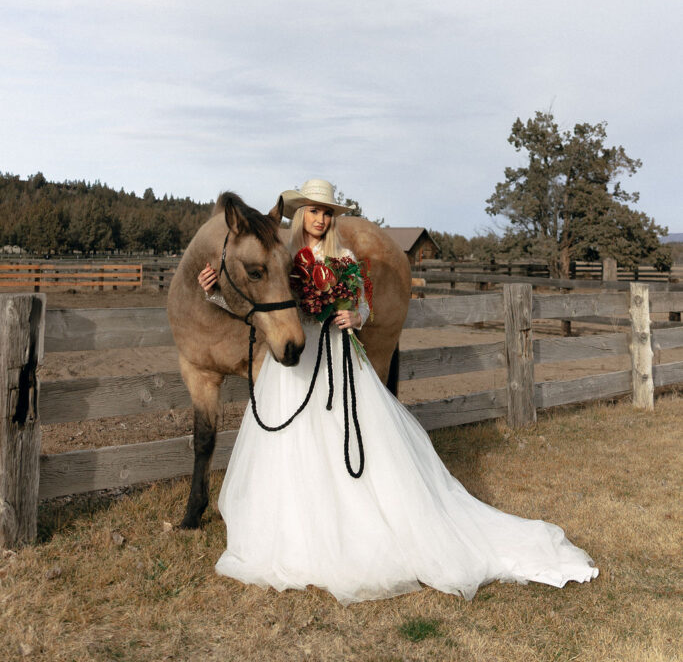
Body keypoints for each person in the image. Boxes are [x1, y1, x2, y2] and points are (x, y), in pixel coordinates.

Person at [199, 178, 598, 605]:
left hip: (337, 358)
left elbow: (364, 306)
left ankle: (352, 529)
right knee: (292, 447)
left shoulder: (344, 257)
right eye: (313, 211)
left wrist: (355, 316)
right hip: (299, 366)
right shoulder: (284, 258)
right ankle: (295, 530)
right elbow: (263, 306)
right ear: (301, 215)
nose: (320, 219)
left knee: (346, 443)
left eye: (327, 212)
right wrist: (216, 293)